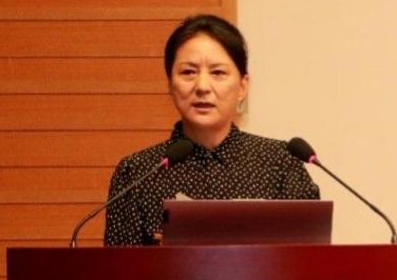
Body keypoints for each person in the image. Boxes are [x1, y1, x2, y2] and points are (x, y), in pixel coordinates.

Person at [103, 14, 319, 246]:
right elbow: (118, 268)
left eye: (218, 73)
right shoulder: (136, 173)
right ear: (170, 84)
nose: (202, 87)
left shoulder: (282, 164)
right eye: (188, 72)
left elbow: (310, 261)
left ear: (242, 86)